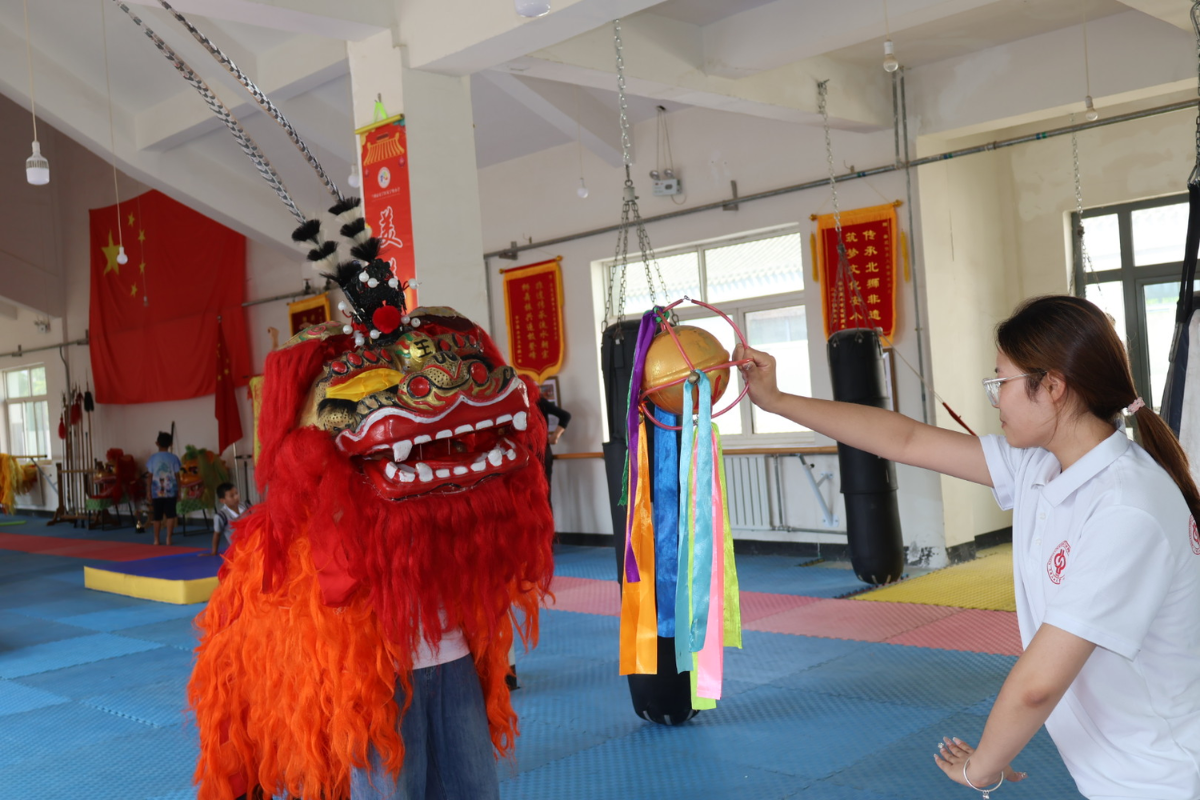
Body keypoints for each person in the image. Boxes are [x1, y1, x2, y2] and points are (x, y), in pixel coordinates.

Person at [734, 295, 1200, 799]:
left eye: (1001, 383)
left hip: (1165, 777)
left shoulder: (1124, 508)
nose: (996, 400)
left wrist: (983, 768)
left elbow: (1038, 684)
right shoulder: (1041, 464)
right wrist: (777, 401)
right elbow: (905, 440)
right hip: (1126, 769)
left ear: (1053, 387)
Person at [146, 431, 183, 546]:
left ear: (157, 443)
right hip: (171, 491)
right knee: (171, 515)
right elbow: (177, 476)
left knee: (157, 516)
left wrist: (148, 491)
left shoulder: (152, 458)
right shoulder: (174, 458)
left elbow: (150, 476)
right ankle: (168, 539)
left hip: (156, 492)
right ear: (171, 444)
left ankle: (156, 539)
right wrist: (179, 491)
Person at [210, 482, 247, 556]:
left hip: (253, 542)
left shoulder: (246, 506)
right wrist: (214, 551)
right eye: (232, 496)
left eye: (236, 493)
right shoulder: (221, 516)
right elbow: (217, 534)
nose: (236, 497)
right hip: (238, 549)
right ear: (222, 500)